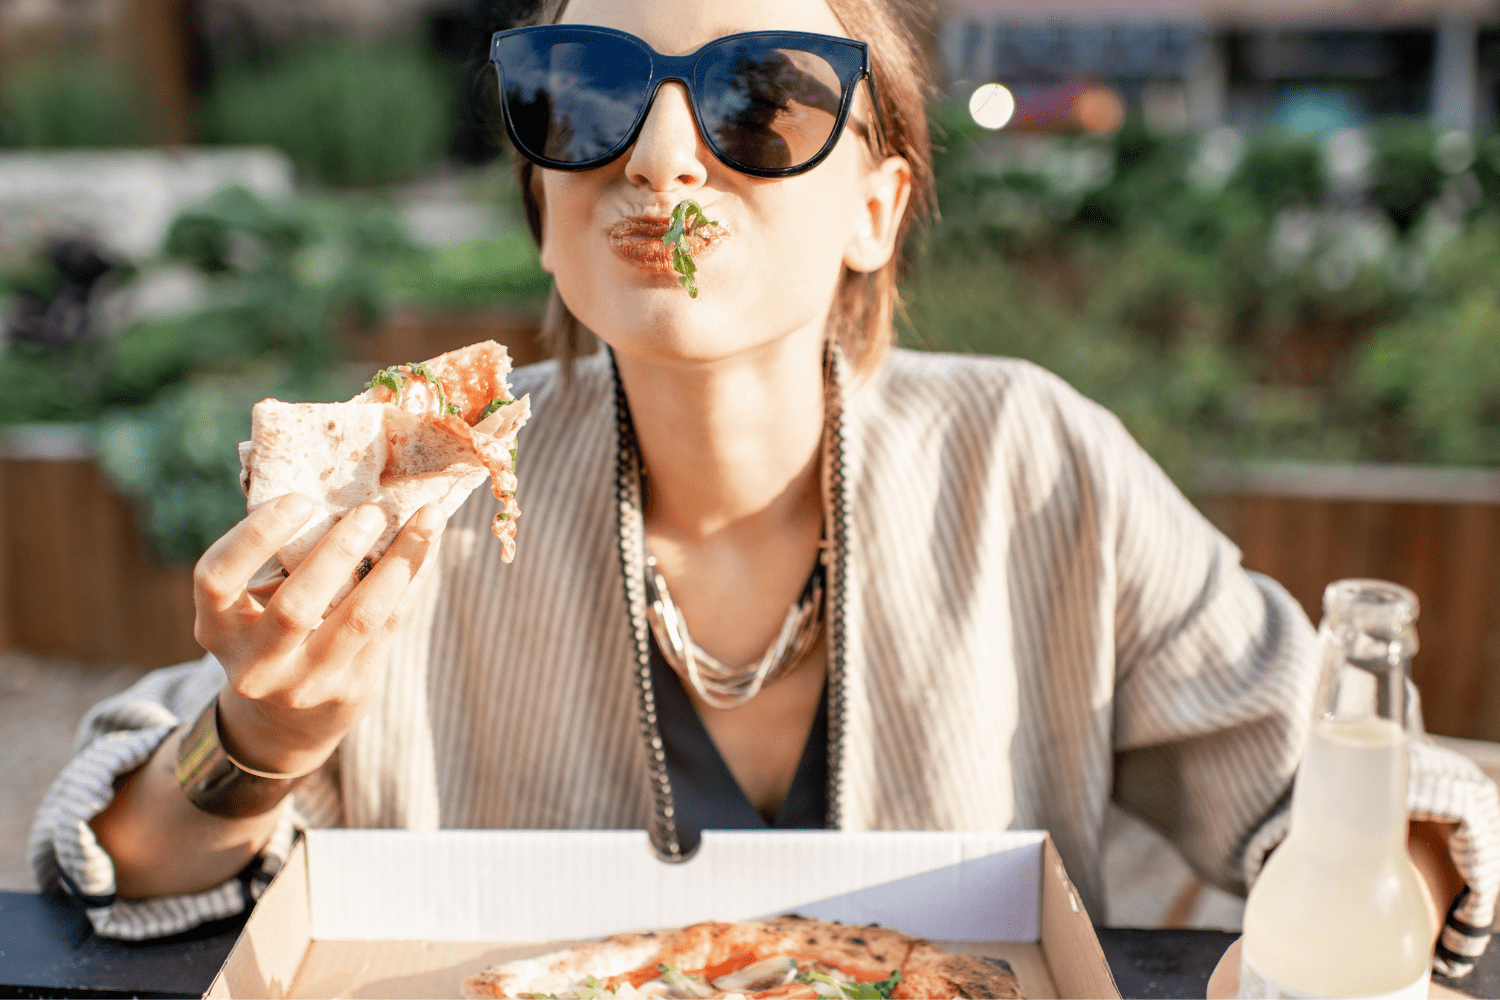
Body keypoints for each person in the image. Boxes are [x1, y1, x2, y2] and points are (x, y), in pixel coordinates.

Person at [30, 0, 1498, 979]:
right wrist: (268, 735)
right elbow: (126, 855)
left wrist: (1354, 928)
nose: (660, 158)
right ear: (542, 203)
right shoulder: (424, 485)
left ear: (877, 204)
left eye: (763, 103)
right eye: (585, 95)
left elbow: (1359, 801)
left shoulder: (1030, 467)